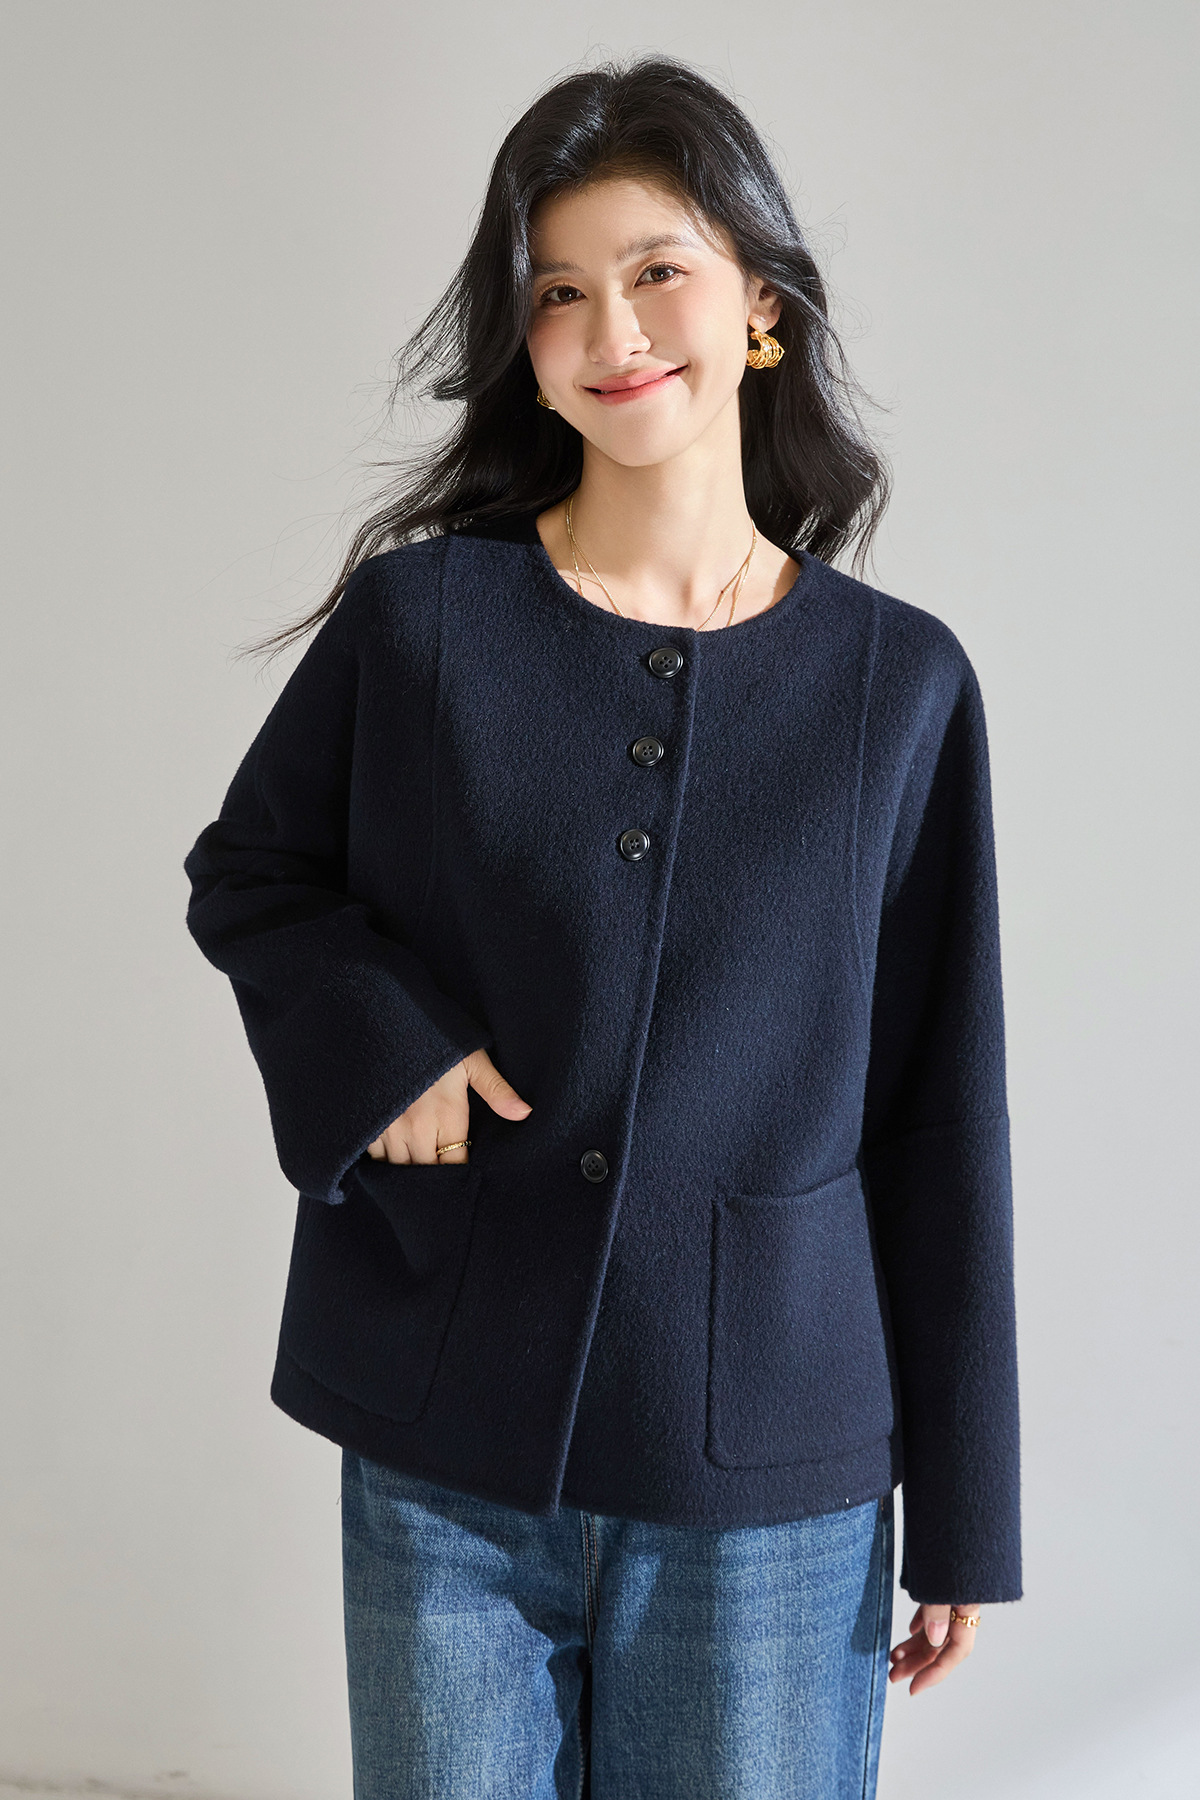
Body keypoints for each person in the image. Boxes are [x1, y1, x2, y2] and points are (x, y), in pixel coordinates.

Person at [183, 53, 1021, 1800]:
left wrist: (967, 1510)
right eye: (558, 290)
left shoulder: (900, 689)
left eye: (657, 271)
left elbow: (943, 1113)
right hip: (444, 1453)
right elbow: (252, 873)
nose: (612, 329)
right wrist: (382, 1044)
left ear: (761, 304)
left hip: (766, 1479)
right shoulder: (422, 623)